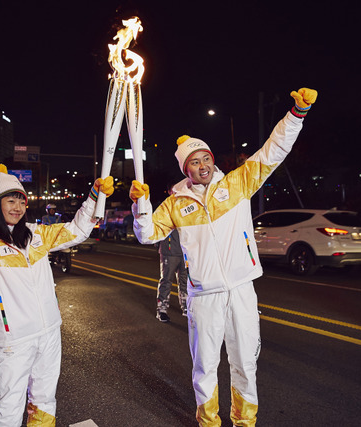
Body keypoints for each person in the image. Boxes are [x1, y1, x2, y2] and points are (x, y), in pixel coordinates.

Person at [129, 88, 318, 426]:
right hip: (204, 296)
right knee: (205, 367)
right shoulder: (175, 204)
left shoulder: (238, 184)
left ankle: (245, 421)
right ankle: (209, 421)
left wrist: (296, 114)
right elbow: (146, 234)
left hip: (242, 290)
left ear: (212, 159)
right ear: (185, 169)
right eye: (193, 162)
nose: (201, 165)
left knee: (245, 363)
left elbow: (273, 151)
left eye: (204, 158)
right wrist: (139, 206)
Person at [0, 163, 113, 426]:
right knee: (8, 410)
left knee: (44, 400)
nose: (17, 208)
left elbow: (77, 230)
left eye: (21, 201)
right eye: (10, 201)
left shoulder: (36, 235)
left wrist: (94, 197)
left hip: (49, 332)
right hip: (14, 340)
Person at [155, 228, 188, 322]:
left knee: (185, 280)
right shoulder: (166, 213)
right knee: (166, 280)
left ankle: (186, 306)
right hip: (169, 251)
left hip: (185, 252)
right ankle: (161, 309)